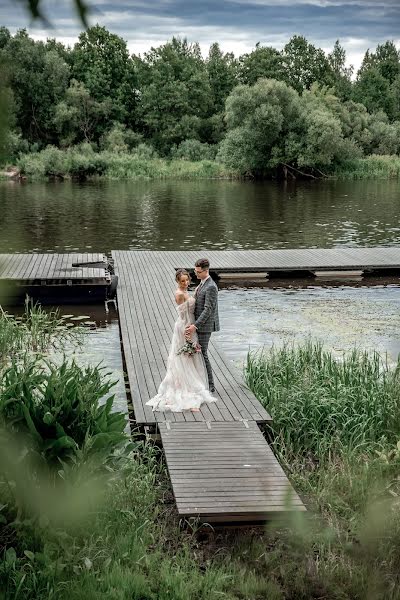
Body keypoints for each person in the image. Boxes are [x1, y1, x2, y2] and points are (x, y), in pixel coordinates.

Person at [145, 268, 217, 412]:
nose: (185, 283)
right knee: (184, 357)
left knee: (190, 356)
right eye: (182, 281)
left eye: (187, 280)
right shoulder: (179, 294)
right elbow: (184, 315)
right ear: (177, 281)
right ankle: (184, 386)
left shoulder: (187, 291)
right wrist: (189, 330)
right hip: (185, 326)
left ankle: (194, 383)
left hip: (190, 325)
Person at [185, 258, 219, 393]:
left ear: (206, 271)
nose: (196, 274)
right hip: (199, 323)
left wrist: (195, 326)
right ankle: (201, 381)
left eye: (198, 272)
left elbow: (208, 309)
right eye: (195, 271)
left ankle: (211, 386)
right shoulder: (202, 283)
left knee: (203, 353)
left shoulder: (211, 286)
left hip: (205, 326)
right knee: (199, 353)